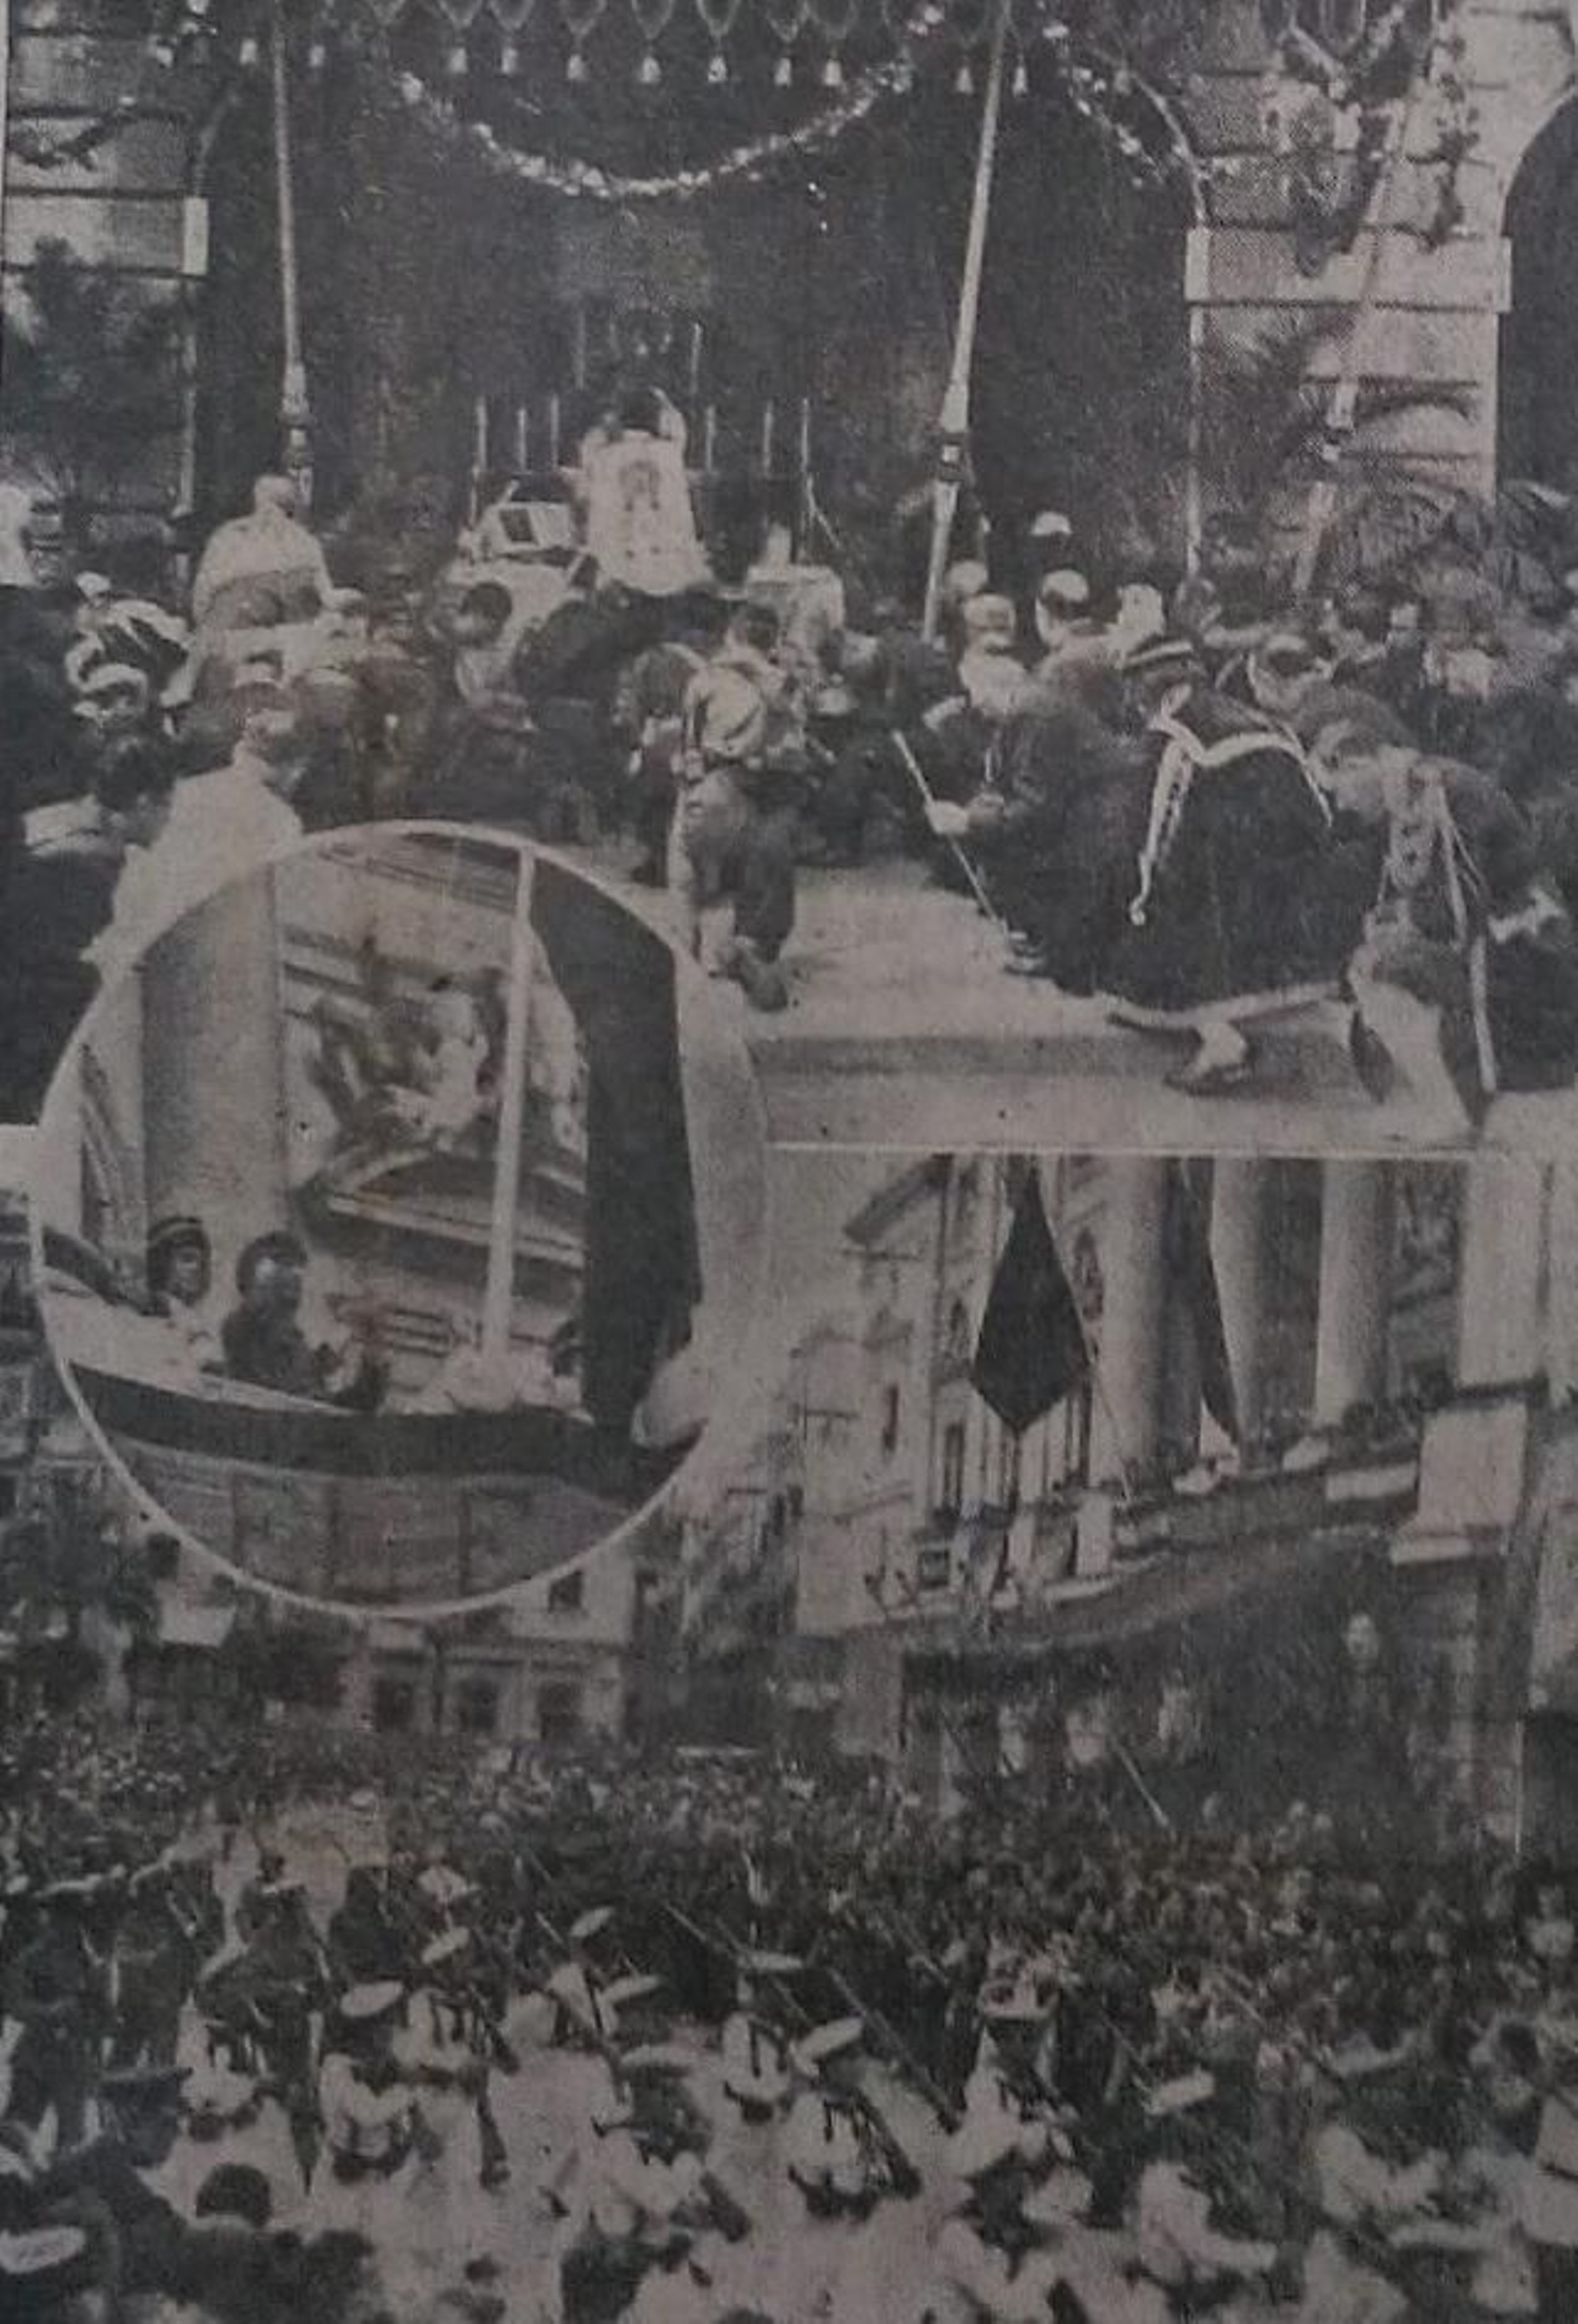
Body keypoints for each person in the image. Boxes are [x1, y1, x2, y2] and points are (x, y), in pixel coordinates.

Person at [1102, 633, 1346, 1094]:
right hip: (1296, 864)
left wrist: (1143, 894)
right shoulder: (1258, 719)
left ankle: (1221, 1042)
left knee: (1171, 906)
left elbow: (1160, 825)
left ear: (1147, 689)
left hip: (1232, 870)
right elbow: (1317, 805)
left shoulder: (1174, 733)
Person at [671, 599, 805, 1010]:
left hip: (713, 787)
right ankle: (746, 948)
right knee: (763, 870)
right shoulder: (786, 685)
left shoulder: (705, 678)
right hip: (765, 794)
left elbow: (689, 739)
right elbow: (795, 749)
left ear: (733, 634)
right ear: (772, 640)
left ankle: (683, 953)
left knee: (684, 871)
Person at [219, 1231, 386, 1411]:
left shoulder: (297, 1350)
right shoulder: (243, 1331)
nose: (295, 1287)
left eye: (296, 1278)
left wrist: (372, 1350)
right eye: (285, 1273)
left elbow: (349, 1407)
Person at [143, 1215, 223, 1378]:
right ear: (163, 1264)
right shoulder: (152, 1310)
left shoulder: (194, 1317)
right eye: (186, 1259)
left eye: (201, 1262)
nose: (196, 1268)